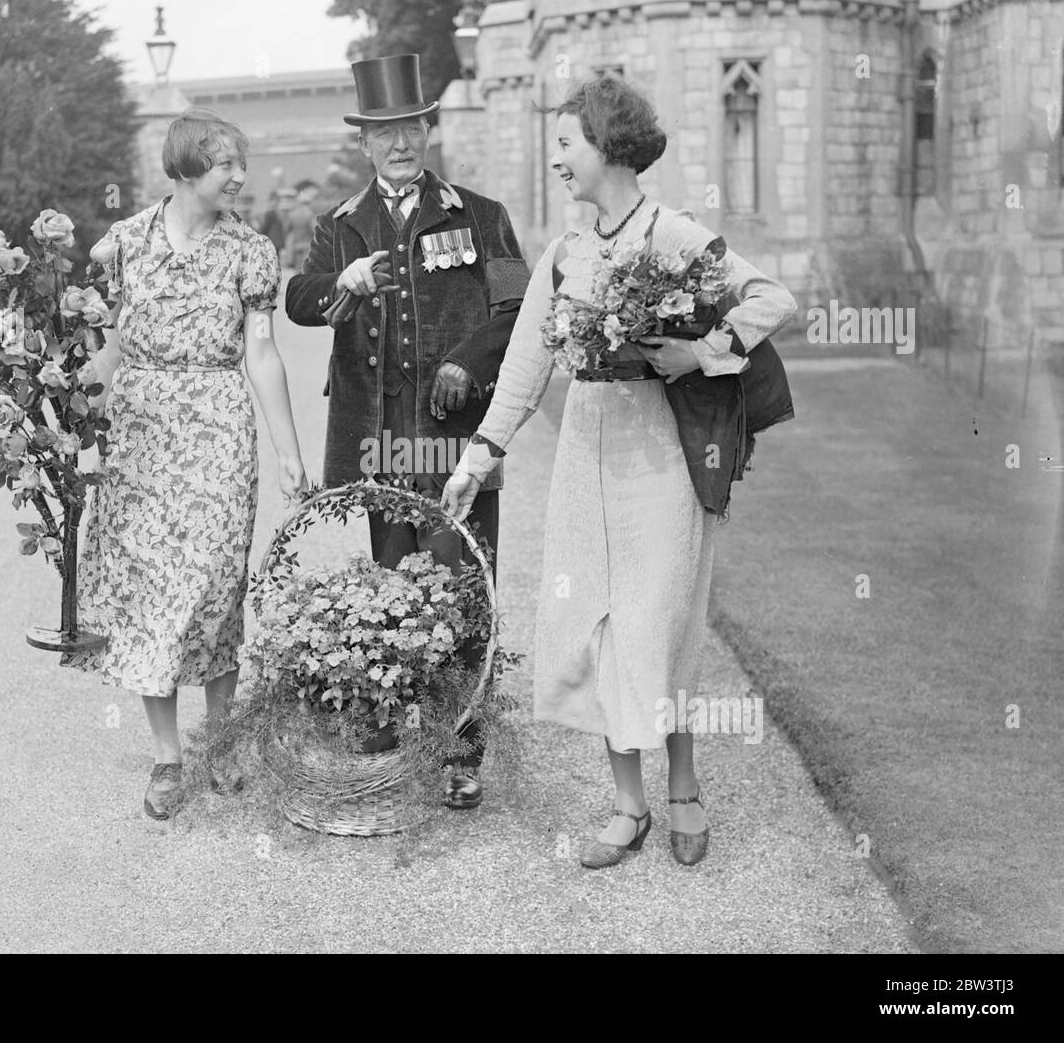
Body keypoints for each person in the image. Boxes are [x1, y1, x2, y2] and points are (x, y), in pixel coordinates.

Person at [442, 75, 797, 866]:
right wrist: (479, 456)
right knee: (597, 627)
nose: (556, 158)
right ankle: (627, 804)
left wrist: (701, 354)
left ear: (607, 145)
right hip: (584, 452)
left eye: (566, 143)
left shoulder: (673, 234)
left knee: (654, 624)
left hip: (661, 458)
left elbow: (772, 298)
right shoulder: (567, 252)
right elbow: (527, 365)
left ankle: (684, 789)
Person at [284, 54, 529, 810]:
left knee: (460, 589)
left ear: (428, 130)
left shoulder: (478, 214)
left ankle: (460, 750)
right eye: (384, 132)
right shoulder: (338, 227)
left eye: (411, 127)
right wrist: (341, 286)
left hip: (452, 443)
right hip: (378, 442)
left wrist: (467, 360)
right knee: (392, 595)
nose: (399, 143)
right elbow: (298, 299)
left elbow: (519, 312)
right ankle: (394, 734)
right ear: (365, 143)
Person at [62, 107, 306, 819]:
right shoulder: (123, 246)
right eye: (227, 163)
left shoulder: (250, 251)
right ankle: (169, 758)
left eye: (242, 161)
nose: (241, 175)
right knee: (150, 595)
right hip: (138, 435)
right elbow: (104, 346)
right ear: (187, 167)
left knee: (213, 585)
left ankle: (223, 738)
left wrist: (289, 451)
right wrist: (70, 407)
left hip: (218, 428)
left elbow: (261, 353)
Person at [285, 179, 321, 270]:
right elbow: (313, 229)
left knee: (297, 267)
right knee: (305, 267)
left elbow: (287, 228)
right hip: (307, 244)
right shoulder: (309, 214)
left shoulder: (292, 213)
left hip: (296, 243)